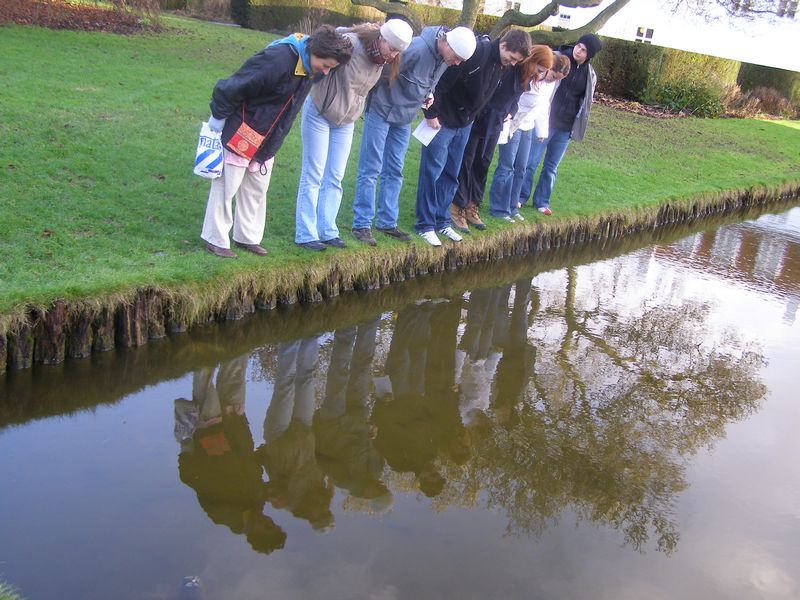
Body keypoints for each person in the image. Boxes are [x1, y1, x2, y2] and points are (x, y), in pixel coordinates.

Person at [201, 26, 353, 258]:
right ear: (315, 51)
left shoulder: (311, 67)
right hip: (244, 127)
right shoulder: (279, 58)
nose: (326, 71)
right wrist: (218, 116)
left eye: (331, 68)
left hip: (270, 136)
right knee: (227, 186)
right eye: (326, 65)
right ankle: (216, 238)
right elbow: (235, 84)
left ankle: (247, 237)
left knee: (256, 188)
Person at [350, 26, 477, 247]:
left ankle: (386, 222)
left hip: (405, 117)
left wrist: (426, 96)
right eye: (456, 58)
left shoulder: (444, 59)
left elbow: (430, 82)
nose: (456, 63)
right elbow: (382, 73)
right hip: (381, 110)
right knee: (371, 168)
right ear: (447, 44)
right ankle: (361, 224)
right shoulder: (416, 48)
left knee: (395, 170)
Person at [294, 20, 413, 251]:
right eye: (392, 48)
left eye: (399, 51)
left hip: (346, 121)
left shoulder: (383, 59)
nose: (394, 55)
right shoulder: (353, 43)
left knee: (335, 177)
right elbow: (329, 37)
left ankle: (328, 230)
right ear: (381, 38)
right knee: (313, 175)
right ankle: (306, 234)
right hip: (319, 111)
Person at [414, 28, 530, 247]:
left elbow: (486, 95)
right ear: (504, 46)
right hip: (443, 121)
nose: (513, 63)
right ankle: (425, 225)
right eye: (513, 58)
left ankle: (442, 220)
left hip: (465, 124)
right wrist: (432, 113)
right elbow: (440, 83)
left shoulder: (502, 66)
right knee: (432, 172)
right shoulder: (476, 53)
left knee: (451, 174)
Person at [453, 44, 552, 232]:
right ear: (532, 61)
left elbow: (515, 100)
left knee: (483, 164)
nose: (539, 76)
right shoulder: (510, 69)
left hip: (497, 122)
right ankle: (458, 206)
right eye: (539, 70)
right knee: (467, 161)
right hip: (481, 118)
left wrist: (510, 111)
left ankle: (473, 205)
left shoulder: (525, 77)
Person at [489, 51, 570, 222]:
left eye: (558, 80)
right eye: (553, 76)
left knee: (522, 168)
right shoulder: (529, 77)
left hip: (529, 127)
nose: (554, 81)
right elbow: (515, 101)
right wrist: (509, 124)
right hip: (513, 124)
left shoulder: (548, 85)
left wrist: (542, 131)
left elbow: (543, 107)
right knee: (507, 166)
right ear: (548, 68)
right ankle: (498, 208)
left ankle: (512, 206)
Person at [527, 33, 603, 216]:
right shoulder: (557, 60)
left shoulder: (589, 74)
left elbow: (585, 103)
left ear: (590, 55)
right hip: (546, 121)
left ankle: (542, 202)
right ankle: (520, 197)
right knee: (531, 161)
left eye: (584, 50)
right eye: (579, 45)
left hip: (566, 127)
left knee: (551, 167)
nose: (579, 50)